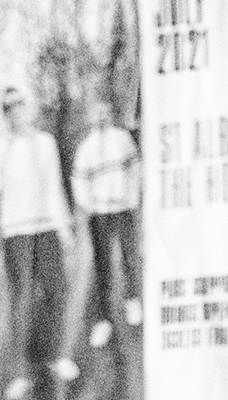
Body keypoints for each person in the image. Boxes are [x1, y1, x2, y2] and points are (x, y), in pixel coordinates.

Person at [0, 83, 77, 400]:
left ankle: (55, 356)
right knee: (21, 299)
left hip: (46, 228)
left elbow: (54, 188)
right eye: (9, 109)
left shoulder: (46, 143)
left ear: (29, 108)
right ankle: (21, 371)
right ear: (5, 115)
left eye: (20, 106)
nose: (16, 113)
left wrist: (64, 230)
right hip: (16, 232)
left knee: (55, 292)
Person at [72, 114, 140, 348]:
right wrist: (89, 206)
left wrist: (132, 197)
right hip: (100, 213)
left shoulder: (122, 138)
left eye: (104, 110)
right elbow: (79, 180)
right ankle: (104, 318)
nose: (100, 115)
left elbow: (134, 167)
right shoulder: (86, 147)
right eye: (96, 111)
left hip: (123, 208)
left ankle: (132, 300)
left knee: (129, 255)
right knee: (103, 266)